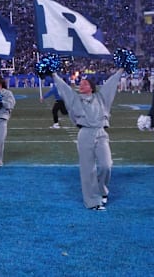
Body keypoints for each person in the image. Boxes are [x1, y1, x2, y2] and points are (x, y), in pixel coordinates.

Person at [52, 69, 124, 211]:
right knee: (88, 169)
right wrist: (54, 74)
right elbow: (64, 88)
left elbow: (111, 83)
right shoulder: (75, 99)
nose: (81, 86)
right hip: (84, 133)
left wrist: (121, 70)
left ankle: (102, 190)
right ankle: (92, 201)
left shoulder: (102, 97)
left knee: (106, 165)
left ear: (91, 87)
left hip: (101, 132)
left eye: (85, 84)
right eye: (80, 84)